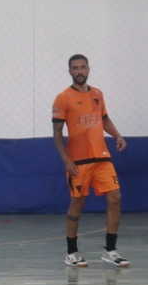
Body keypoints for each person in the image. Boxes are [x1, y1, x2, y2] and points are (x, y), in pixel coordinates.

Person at [52, 54, 129, 268]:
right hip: (78, 162)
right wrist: (66, 161)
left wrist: (117, 135)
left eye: (83, 67)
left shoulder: (97, 94)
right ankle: (71, 252)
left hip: (102, 158)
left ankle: (110, 250)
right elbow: (57, 134)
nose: (79, 71)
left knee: (115, 197)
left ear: (88, 69)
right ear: (70, 71)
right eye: (75, 68)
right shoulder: (62, 98)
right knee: (77, 203)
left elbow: (104, 119)